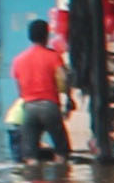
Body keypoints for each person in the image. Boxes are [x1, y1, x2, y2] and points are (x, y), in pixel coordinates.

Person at [7, 16, 71, 164]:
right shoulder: (54, 56)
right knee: (61, 151)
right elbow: (64, 78)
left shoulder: (18, 60)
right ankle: (62, 182)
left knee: (30, 155)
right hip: (50, 107)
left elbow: (19, 88)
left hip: (29, 108)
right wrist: (68, 98)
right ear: (46, 35)